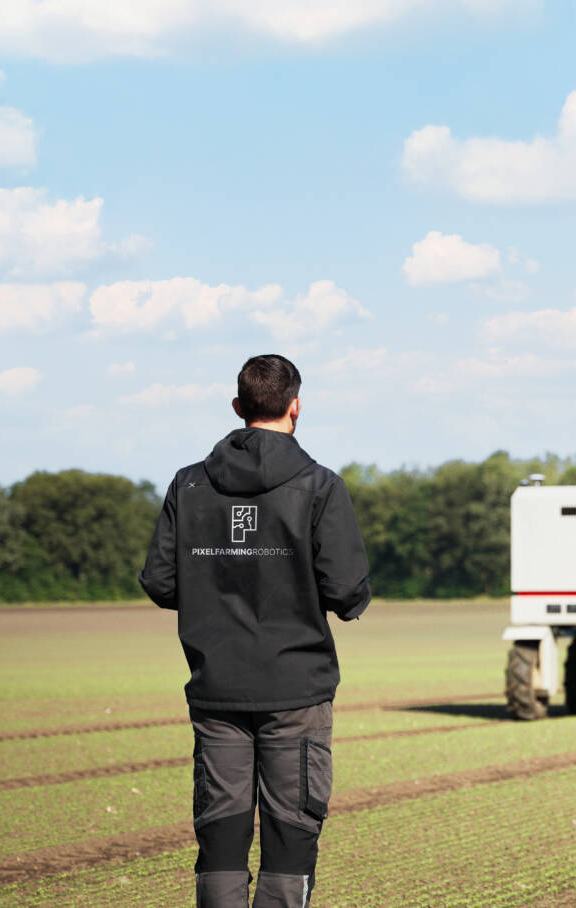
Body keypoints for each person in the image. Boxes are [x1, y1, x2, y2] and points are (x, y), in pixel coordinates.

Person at [139, 354, 371, 908]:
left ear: (239, 408)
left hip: (217, 687)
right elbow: (346, 592)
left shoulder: (188, 484)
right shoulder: (320, 486)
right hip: (297, 690)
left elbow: (160, 582)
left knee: (221, 830)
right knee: (292, 830)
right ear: (296, 406)